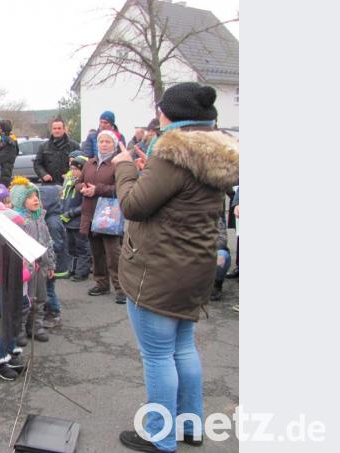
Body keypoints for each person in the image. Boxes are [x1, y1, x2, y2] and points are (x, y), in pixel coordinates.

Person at [111, 82, 239, 453]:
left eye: (161, 111)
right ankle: (189, 426)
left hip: (160, 272)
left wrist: (124, 170)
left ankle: (160, 435)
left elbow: (133, 206)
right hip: (195, 268)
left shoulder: (171, 155)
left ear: (172, 117)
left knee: (157, 356)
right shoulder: (216, 155)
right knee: (183, 348)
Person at [76, 130, 125, 304]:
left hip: (109, 214)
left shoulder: (118, 164)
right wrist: (82, 187)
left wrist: (97, 189)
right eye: (101, 141)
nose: (103, 144)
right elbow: (78, 182)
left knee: (113, 253)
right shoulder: (90, 163)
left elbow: (120, 188)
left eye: (107, 142)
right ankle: (101, 283)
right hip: (90, 213)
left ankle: (121, 288)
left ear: (114, 144)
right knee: (96, 252)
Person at [0, 205, 31, 380]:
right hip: (6, 294)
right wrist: (27, 268)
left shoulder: (13, 246)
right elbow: (1, 276)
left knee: (14, 326)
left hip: (18, 293)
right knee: (8, 327)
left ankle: (10, 355)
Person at [10, 177, 55, 343]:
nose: (35, 199)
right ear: (20, 201)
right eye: (30, 197)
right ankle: (19, 329)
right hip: (25, 269)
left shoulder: (40, 218)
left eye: (36, 195)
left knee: (40, 298)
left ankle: (35, 326)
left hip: (41, 266)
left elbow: (48, 241)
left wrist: (50, 263)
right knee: (24, 300)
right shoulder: (17, 220)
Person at [38, 184, 65, 329]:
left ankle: (54, 313)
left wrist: (50, 263)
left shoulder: (52, 222)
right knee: (45, 288)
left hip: (51, 263)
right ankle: (48, 311)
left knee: (49, 289)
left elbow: (56, 246)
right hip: (47, 262)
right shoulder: (46, 218)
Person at [60, 155, 91, 281]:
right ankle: (72, 269)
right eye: (72, 168)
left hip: (79, 221)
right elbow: (64, 199)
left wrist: (70, 213)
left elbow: (85, 205)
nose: (73, 171)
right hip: (68, 222)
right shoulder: (69, 182)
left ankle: (82, 272)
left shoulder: (86, 184)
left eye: (76, 169)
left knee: (81, 247)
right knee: (70, 247)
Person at [33, 118, 78, 185]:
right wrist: (43, 174)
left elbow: (80, 165)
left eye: (59, 128)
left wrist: (70, 175)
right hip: (49, 185)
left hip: (69, 184)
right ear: (52, 130)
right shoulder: (43, 146)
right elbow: (37, 164)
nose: (57, 131)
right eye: (54, 128)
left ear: (64, 129)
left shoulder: (74, 146)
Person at [210, 216, 231, 301]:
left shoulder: (215, 217)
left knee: (222, 255)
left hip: (207, 252)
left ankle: (217, 284)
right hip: (189, 254)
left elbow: (222, 240)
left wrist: (204, 249)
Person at [0, 119, 19, 186]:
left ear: (2, 130)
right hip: (2, 173)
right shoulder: (4, 140)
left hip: (4, 175)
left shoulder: (10, 143)